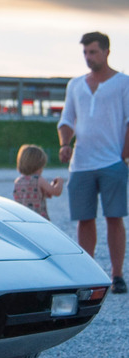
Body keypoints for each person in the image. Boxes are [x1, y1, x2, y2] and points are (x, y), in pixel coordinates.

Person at [58, 31, 129, 294]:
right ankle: (88, 275)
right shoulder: (75, 85)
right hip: (81, 163)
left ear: (107, 52)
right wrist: (65, 144)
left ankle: (118, 275)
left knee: (114, 217)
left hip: (112, 162)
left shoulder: (123, 83)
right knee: (84, 220)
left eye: (93, 52)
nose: (88, 57)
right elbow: (66, 120)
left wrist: (123, 157)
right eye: (85, 53)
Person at [13, 144, 64, 220]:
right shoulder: (38, 180)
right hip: (39, 219)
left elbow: (43, 194)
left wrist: (50, 186)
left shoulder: (18, 181)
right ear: (38, 165)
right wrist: (60, 182)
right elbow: (56, 192)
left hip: (24, 218)